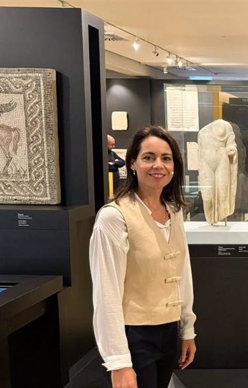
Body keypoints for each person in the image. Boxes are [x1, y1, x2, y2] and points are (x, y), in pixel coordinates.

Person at [90, 126, 197, 388]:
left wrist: (187, 329)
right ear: (133, 163)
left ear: (174, 166)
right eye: (148, 157)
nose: (158, 165)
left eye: (166, 158)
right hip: (134, 336)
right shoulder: (114, 217)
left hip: (169, 331)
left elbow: (182, 273)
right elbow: (106, 293)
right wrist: (119, 362)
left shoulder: (174, 211)